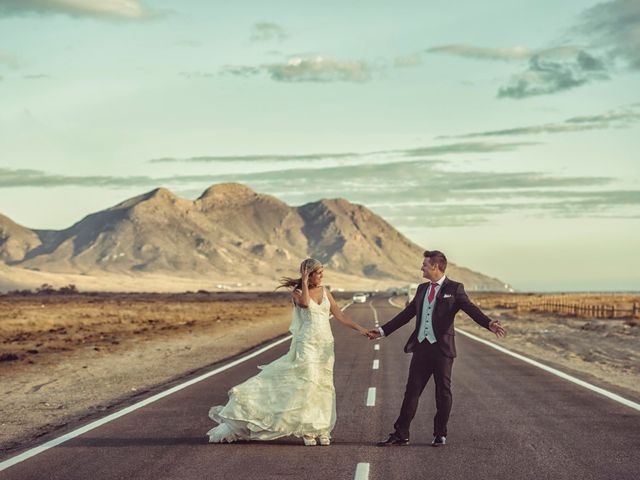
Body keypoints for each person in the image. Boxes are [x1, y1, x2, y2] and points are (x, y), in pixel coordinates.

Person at [207, 258, 371, 446]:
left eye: (322, 272)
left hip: (325, 345)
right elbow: (305, 304)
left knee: (323, 386)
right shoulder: (298, 293)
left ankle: (322, 429)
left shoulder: (326, 292)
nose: (322, 276)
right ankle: (307, 431)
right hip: (306, 344)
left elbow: (340, 315)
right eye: (318, 273)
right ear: (309, 274)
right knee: (308, 386)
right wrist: (304, 281)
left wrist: (361, 329)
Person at [369, 250, 506, 447]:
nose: (421, 268)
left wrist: (488, 323)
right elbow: (406, 314)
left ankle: (440, 433)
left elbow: (470, 309)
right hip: (421, 349)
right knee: (412, 391)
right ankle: (401, 434)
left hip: (442, 350)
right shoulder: (422, 289)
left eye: (424, 265)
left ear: (435, 266)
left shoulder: (455, 288)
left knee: (443, 392)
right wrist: (382, 331)